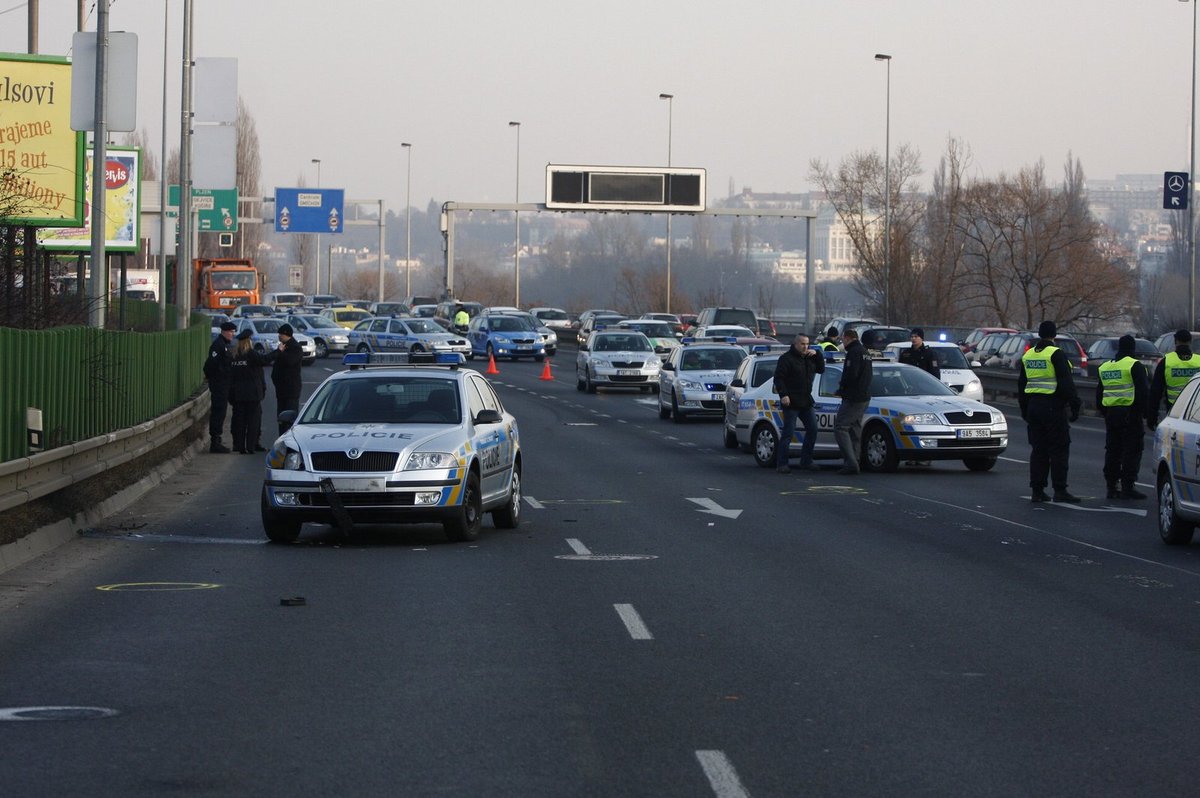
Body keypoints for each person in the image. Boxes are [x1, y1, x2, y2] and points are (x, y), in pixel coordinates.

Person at [1018, 321, 1082, 503]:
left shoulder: (1028, 355)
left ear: (1039, 334)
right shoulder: (1056, 354)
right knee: (1059, 449)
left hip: (1033, 407)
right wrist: (1075, 405)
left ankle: (1037, 491)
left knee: (1039, 450)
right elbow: (1066, 383)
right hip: (1053, 407)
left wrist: (1024, 409)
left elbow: (1022, 384)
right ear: (1054, 335)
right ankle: (1060, 490)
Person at [1094, 334, 1149, 500]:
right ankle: (1128, 486)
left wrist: (1106, 413)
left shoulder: (1106, 367)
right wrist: (1141, 413)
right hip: (1130, 415)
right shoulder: (1134, 365)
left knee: (1113, 450)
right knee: (1132, 451)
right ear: (1133, 349)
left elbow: (1099, 395)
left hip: (1111, 415)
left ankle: (1111, 487)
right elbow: (1143, 393)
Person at [772, 333, 825, 473]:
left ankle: (806, 461)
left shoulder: (809, 358)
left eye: (807, 344)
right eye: (802, 344)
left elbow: (821, 369)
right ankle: (782, 463)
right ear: (795, 344)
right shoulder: (786, 359)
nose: (805, 346)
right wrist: (783, 394)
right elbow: (778, 378)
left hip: (806, 401)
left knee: (813, 429)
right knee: (788, 432)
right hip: (791, 402)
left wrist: (818, 354)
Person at [834, 328, 873, 475]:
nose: (842, 342)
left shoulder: (854, 352)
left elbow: (851, 374)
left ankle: (850, 462)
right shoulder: (865, 352)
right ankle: (855, 460)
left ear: (848, 338)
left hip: (853, 397)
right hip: (864, 396)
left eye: (843, 339)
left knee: (840, 427)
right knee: (855, 428)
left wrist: (841, 389)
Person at [899, 328, 940, 466]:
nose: (913, 339)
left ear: (922, 338)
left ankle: (924, 456)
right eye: (912, 336)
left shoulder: (929, 353)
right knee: (910, 425)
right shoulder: (906, 354)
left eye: (916, 336)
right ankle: (912, 455)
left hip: (925, 394)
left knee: (925, 424)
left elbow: (934, 375)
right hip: (907, 394)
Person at [1147, 329, 1200, 430]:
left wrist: (1152, 418)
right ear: (1190, 341)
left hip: (1174, 412)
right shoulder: (1198, 361)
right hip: (1196, 412)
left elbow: (1155, 392)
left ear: (1176, 341)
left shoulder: (1166, 362)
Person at [229, 329, 270, 455]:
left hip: (238, 394)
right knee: (253, 421)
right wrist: (278, 351)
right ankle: (251, 446)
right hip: (252, 394)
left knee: (239, 421)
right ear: (249, 342)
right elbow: (264, 360)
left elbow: (230, 376)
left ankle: (240, 446)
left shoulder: (234, 356)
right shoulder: (251, 354)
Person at [202, 321, 236, 453]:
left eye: (233, 331)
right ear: (224, 331)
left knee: (221, 412)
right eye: (231, 332)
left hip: (223, 384)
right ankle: (215, 442)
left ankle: (217, 440)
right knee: (218, 412)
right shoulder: (218, 345)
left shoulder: (225, 345)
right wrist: (214, 378)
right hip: (219, 385)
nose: (233, 334)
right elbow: (211, 365)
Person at [270, 323, 304, 435]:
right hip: (281, 389)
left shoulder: (295, 348)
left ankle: (290, 439)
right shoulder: (283, 346)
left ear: (286, 335)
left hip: (290, 389)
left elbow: (290, 361)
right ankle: (282, 439)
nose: (279, 336)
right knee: (281, 418)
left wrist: (281, 352)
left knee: (289, 417)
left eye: (281, 334)